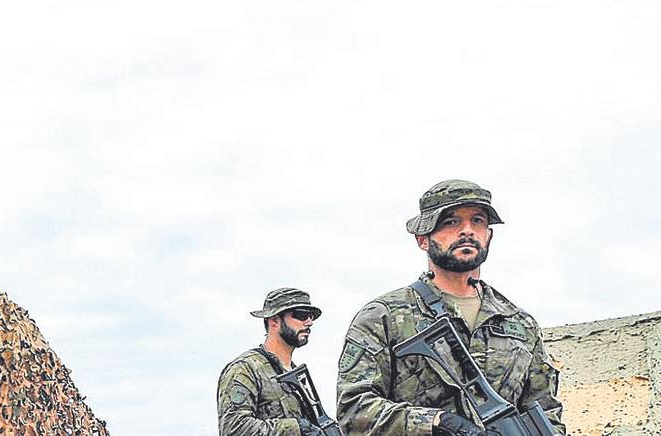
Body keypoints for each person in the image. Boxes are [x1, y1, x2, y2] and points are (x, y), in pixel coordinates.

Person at [335, 180, 564, 435]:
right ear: (423, 239)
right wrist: (436, 423)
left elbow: (546, 413)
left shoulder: (520, 324)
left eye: (477, 221)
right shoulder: (383, 317)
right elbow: (353, 411)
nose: (467, 231)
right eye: (451, 222)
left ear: (489, 235)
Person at [217, 287, 326, 436]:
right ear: (274, 321)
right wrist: (298, 428)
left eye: (311, 316)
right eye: (301, 315)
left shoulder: (296, 376)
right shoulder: (245, 369)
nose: (309, 322)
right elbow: (235, 428)